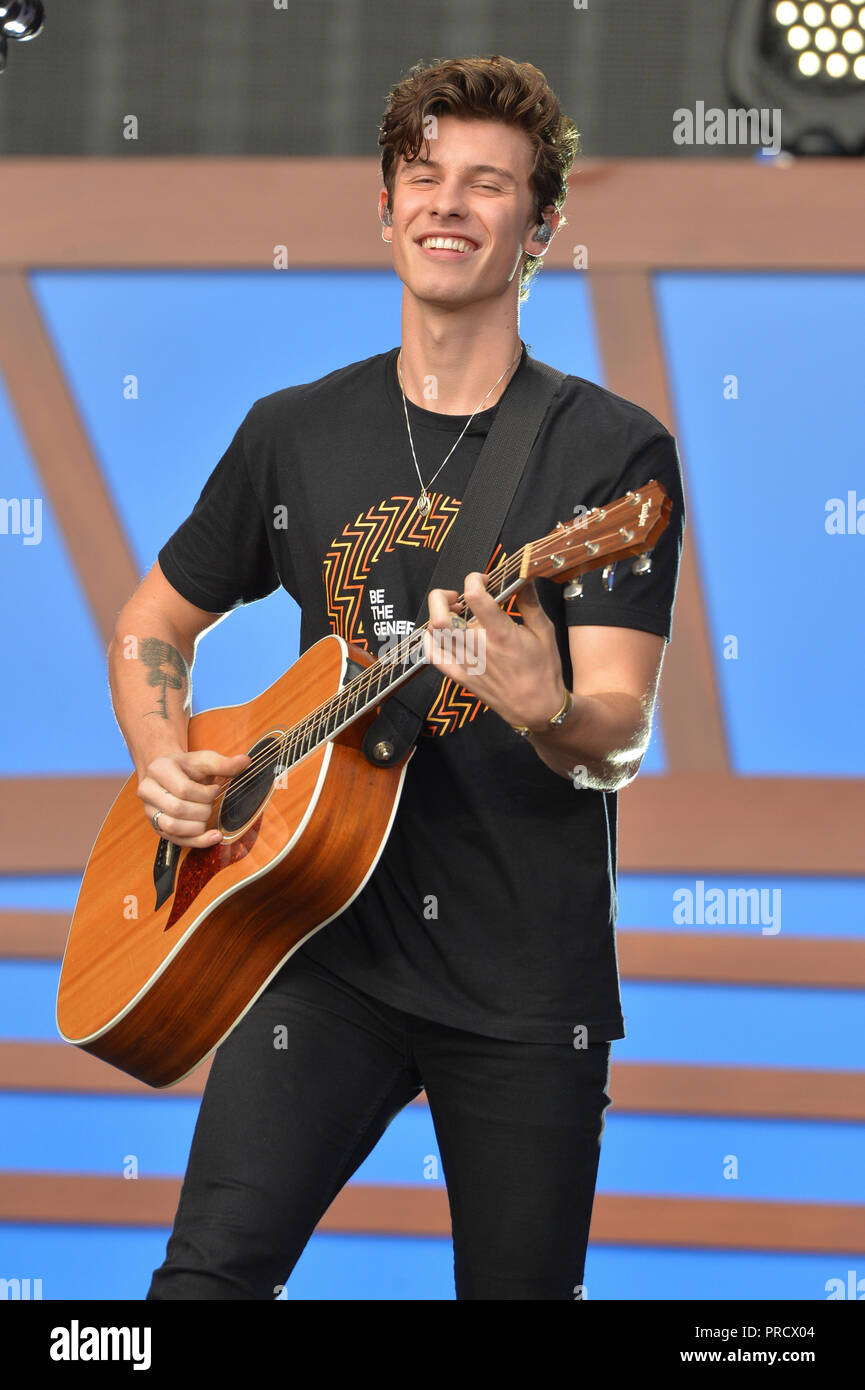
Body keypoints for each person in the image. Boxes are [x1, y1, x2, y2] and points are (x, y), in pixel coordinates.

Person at [109, 54, 684, 1300]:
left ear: (540, 228)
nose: (447, 205)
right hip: (318, 940)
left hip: (526, 980)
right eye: (422, 177)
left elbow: (621, 733)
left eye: (489, 185)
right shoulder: (291, 430)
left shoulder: (611, 456)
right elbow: (153, 620)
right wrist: (163, 761)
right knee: (199, 1285)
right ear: (383, 206)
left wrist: (548, 713)